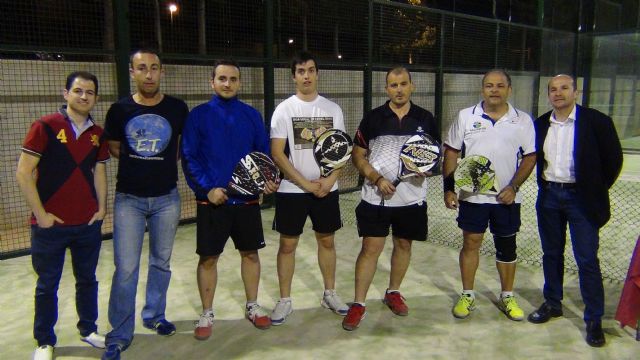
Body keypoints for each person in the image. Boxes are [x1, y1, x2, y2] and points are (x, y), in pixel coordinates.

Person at [181, 59, 278, 340]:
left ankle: (252, 306)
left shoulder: (251, 115)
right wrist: (208, 189)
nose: (227, 83)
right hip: (212, 201)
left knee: (250, 254)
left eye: (233, 79)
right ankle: (207, 312)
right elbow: (189, 156)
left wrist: (265, 182)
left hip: (246, 202)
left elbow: (262, 155)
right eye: (222, 78)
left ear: (239, 83)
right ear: (212, 82)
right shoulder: (198, 116)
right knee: (209, 258)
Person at [102, 49, 189, 360]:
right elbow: (114, 147)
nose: (149, 74)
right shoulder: (119, 109)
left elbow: (179, 147)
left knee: (160, 262)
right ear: (132, 72)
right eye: (142, 68)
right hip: (129, 200)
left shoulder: (178, 108)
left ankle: (154, 315)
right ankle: (119, 334)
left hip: (167, 197)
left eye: (154, 68)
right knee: (125, 269)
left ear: (161, 72)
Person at [16, 71, 109, 360]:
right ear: (65, 93)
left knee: (87, 280)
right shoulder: (44, 126)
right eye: (78, 91)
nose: (84, 96)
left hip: (86, 225)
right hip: (50, 226)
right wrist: (40, 215)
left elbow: (100, 171)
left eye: (90, 92)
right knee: (47, 285)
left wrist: (102, 208)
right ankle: (44, 341)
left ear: (95, 97)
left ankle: (89, 330)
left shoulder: (98, 133)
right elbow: (23, 173)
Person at [527, 74, 622, 347]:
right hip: (549, 197)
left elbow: (613, 160)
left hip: (582, 199)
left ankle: (594, 319)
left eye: (564, 88)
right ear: (548, 95)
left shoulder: (597, 122)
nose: (558, 93)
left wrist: (594, 188)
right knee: (551, 254)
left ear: (575, 92)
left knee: (587, 259)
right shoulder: (540, 124)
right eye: (553, 90)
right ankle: (553, 303)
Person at [342, 66, 439, 331]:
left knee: (404, 245)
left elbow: (433, 155)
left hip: (411, 198)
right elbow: (358, 155)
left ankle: (393, 292)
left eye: (403, 84)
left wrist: (428, 168)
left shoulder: (425, 118)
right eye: (393, 85)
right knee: (370, 249)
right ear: (387, 89)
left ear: (412, 86)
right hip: (376, 198)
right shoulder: (373, 118)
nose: (399, 89)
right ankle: (359, 304)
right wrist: (376, 178)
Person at [442, 69, 536, 322]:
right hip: (472, 198)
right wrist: (448, 187)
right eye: (489, 85)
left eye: (500, 85)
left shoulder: (523, 120)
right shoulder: (465, 116)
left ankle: (507, 295)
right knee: (470, 243)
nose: (494, 90)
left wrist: (513, 187)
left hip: (506, 199)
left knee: (507, 247)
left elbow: (530, 157)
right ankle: (468, 295)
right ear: (482, 89)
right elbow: (450, 152)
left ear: (509, 89)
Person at [269, 51, 349, 325]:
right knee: (288, 245)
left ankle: (330, 292)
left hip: (326, 190)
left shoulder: (332, 109)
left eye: (311, 70)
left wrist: (329, 181)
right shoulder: (284, 110)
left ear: (317, 73)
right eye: (301, 71)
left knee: (326, 240)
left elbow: (342, 150)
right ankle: (285, 300)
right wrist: (303, 183)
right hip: (292, 191)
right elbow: (278, 153)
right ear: (294, 76)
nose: (306, 75)